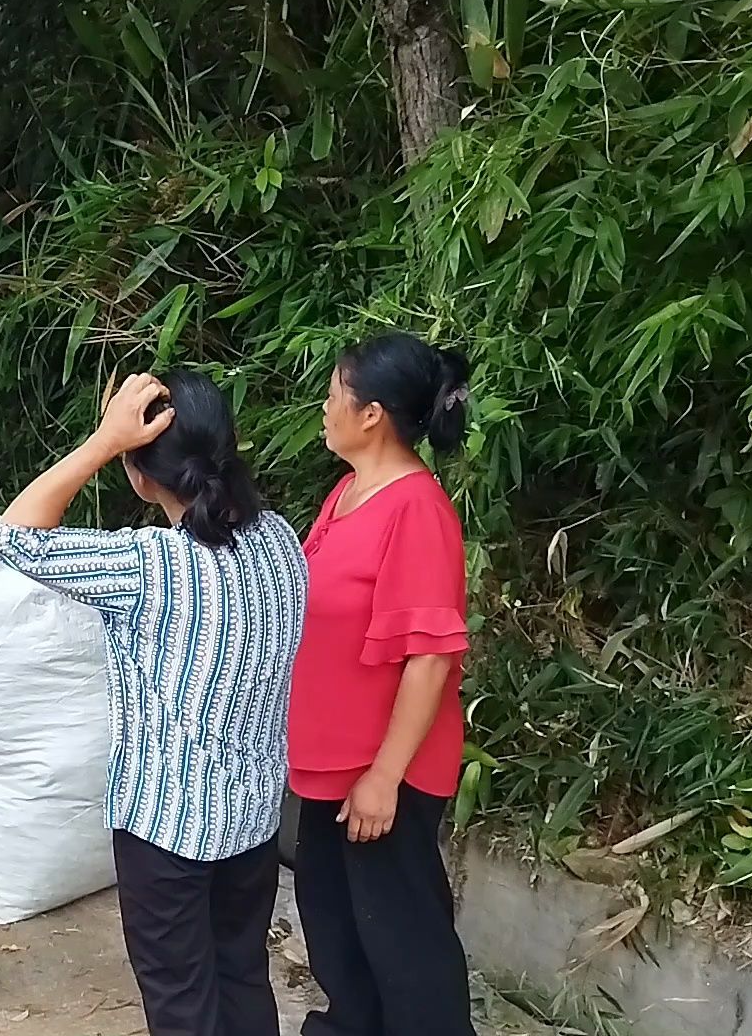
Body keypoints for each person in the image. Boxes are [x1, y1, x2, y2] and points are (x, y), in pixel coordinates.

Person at [0, 372, 307, 1036]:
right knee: (242, 977)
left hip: (166, 833)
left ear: (139, 471)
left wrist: (103, 440)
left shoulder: (151, 566)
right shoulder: (280, 541)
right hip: (250, 821)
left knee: (182, 1003)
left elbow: (13, 537)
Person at [288, 333, 476, 1036]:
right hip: (331, 768)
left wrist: (384, 775)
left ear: (371, 415)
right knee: (339, 935)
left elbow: (429, 657)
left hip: (381, 775)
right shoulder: (347, 493)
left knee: (404, 944)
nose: (326, 406)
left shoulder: (417, 510)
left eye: (336, 394)